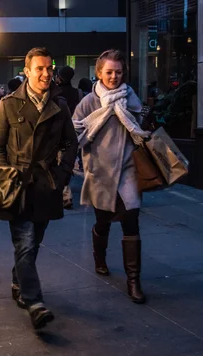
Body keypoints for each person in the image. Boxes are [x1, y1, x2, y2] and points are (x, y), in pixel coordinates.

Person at [0, 47, 78, 330]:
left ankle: (18, 280)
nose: (46, 73)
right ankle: (34, 301)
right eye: (40, 68)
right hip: (17, 185)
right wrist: (7, 175)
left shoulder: (59, 105)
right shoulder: (9, 104)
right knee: (25, 242)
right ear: (27, 71)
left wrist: (62, 174)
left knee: (33, 243)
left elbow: (70, 143)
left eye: (49, 68)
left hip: (46, 185)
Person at [72, 49, 151, 304]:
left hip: (128, 168)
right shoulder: (88, 102)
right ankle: (100, 258)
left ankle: (133, 280)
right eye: (109, 72)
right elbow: (76, 131)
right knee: (103, 221)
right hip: (100, 171)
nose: (114, 77)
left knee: (131, 220)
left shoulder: (131, 97)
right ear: (99, 73)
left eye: (118, 72)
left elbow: (138, 128)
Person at [55, 66, 83, 210]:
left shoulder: (55, 94)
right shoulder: (78, 93)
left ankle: (65, 195)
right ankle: (65, 192)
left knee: (60, 162)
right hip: (75, 131)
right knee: (68, 160)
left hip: (59, 131)